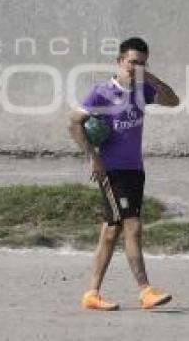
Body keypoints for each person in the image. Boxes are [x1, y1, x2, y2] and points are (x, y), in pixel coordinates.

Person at [68, 37, 180, 311]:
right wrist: (94, 159)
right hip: (112, 170)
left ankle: (92, 294)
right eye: (131, 62)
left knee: (110, 232)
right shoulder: (101, 92)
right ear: (119, 62)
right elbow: (73, 123)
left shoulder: (143, 91)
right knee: (133, 226)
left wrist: (148, 75)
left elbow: (173, 100)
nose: (135, 67)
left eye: (141, 63)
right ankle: (145, 290)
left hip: (134, 170)